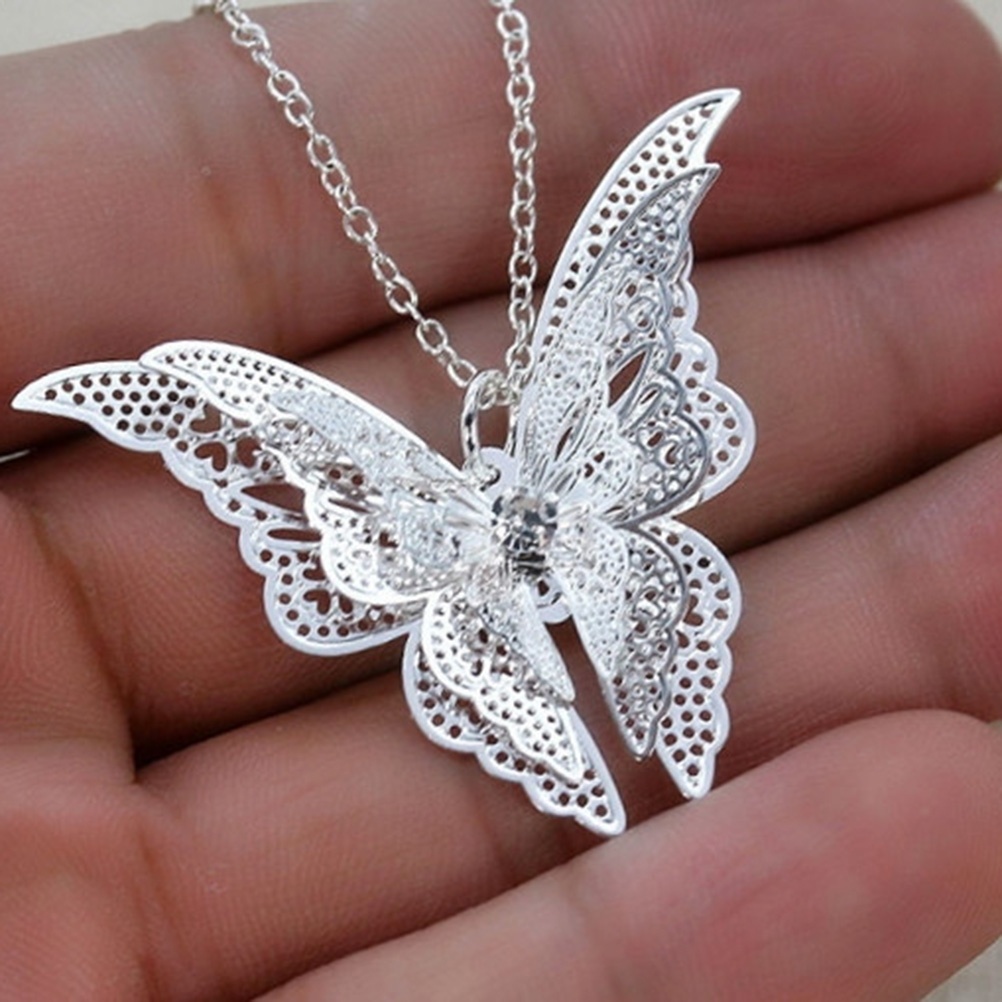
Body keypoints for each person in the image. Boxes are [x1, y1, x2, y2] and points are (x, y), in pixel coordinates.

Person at [3, 0, 1002, 998]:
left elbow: (635, 238)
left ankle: (676, 734)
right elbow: (231, 406)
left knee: (672, 701)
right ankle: (594, 765)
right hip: (483, 589)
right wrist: (133, 391)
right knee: (562, 722)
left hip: (586, 536)